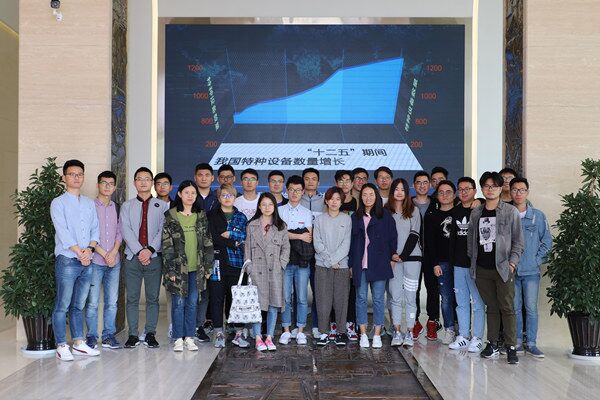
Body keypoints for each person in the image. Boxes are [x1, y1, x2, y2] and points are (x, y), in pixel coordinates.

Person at [468, 171, 524, 364]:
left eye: (494, 186)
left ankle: (511, 346)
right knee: (491, 307)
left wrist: (512, 263)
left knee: (507, 307)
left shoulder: (510, 212)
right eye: (486, 186)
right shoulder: (476, 213)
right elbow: (471, 241)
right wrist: (473, 261)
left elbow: (518, 241)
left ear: (501, 189)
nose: (490, 189)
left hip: (503, 268)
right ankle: (492, 343)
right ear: (482, 189)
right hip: (482, 269)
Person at [51, 160, 100, 361]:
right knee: (62, 304)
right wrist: (80, 252)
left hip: (87, 260)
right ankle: (61, 345)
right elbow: (62, 231)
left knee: (79, 305)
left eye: (79, 174)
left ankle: (79, 343)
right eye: (72, 174)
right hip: (68, 260)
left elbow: (95, 229)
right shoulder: (58, 203)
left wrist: (89, 249)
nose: (76, 177)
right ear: (64, 177)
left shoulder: (89, 203)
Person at [120, 167, 169, 349]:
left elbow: (162, 230)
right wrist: (140, 251)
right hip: (132, 258)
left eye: (147, 179)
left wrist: (149, 250)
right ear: (134, 182)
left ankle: (150, 333)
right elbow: (126, 230)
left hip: (154, 257)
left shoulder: (162, 206)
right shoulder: (127, 206)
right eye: (139, 179)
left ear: (152, 183)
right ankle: (133, 334)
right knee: (132, 298)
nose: (143, 182)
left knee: (152, 298)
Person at [162, 181, 214, 352]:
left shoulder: (201, 215)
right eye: (186, 193)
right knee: (178, 303)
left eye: (193, 193)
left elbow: (207, 242)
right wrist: (170, 269)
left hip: (196, 268)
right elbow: (167, 245)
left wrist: (208, 267)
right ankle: (178, 338)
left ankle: (190, 337)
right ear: (179, 194)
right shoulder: (171, 216)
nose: (190, 196)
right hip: (178, 269)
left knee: (192, 303)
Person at [349, 183, 397, 348]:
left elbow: (392, 238)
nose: (368, 198)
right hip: (360, 264)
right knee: (361, 299)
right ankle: (363, 333)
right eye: (364, 194)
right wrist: (351, 264)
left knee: (378, 299)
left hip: (379, 263)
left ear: (376, 196)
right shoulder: (355, 217)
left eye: (371, 194)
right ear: (360, 197)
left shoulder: (385, 216)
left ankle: (377, 334)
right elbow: (351, 243)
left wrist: (391, 258)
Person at [510, 177, 552, 358]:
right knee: (515, 308)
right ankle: (517, 342)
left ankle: (532, 343)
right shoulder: (506, 214)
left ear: (527, 192)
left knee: (531, 308)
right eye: (515, 190)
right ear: (510, 192)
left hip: (531, 272)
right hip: (511, 271)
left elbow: (547, 242)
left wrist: (536, 260)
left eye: (522, 190)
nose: (518, 193)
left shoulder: (538, 216)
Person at [206, 184, 250, 348]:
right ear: (219, 198)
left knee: (236, 299)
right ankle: (218, 333)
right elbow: (212, 238)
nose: (227, 198)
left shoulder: (241, 216)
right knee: (217, 298)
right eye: (223, 195)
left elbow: (245, 236)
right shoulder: (211, 216)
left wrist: (231, 235)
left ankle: (238, 333)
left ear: (235, 197)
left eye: (230, 195)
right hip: (216, 262)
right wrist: (233, 243)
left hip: (237, 264)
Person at [245, 193, 290, 351]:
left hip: (274, 270)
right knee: (256, 305)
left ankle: (269, 337)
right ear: (259, 206)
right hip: (256, 271)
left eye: (270, 204)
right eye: (263, 204)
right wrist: (249, 268)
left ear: (274, 207)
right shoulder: (252, 225)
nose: (267, 207)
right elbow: (247, 249)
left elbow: (286, 248)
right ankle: (258, 337)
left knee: (273, 304)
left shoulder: (281, 226)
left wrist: (281, 264)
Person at [85, 171, 123, 350]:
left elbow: (119, 232)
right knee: (92, 302)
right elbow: (87, 233)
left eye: (111, 183)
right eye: (104, 183)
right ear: (98, 185)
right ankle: (91, 337)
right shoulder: (89, 206)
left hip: (114, 262)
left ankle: (108, 336)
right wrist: (104, 253)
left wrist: (113, 253)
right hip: (95, 261)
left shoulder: (117, 207)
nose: (107, 186)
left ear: (114, 187)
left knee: (112, 302)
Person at [448, 177, 485, 352]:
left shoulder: (481, 209)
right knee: (461, 302)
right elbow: (453, 239)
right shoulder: (455, 211)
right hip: (458, 264)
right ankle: (463, 335)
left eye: (467, 189)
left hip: (476, 265)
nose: (463, 192)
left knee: (478, 302)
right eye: (460, 189)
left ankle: (477, 337)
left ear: (474, 191)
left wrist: (481, 201)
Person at [313, 187, 352, 346]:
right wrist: (330, 261)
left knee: (341, 300)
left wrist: (335, 260)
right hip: (322, 265)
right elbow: (317, 243)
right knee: (323, 299)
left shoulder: (347, 219)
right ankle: (323, 332)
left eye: (338, 199)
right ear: (326, 201)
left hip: (341, 266)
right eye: (331, 199)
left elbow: (346, 244)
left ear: (341, 202)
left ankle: (341, 332)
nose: (334, 202)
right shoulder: (319, 220)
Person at [385, 178, 422, 347]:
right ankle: (397, 331)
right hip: (393, 261)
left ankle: (410, 331)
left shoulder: (414, 210)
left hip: (412, 260)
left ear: (407, 192)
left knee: (410, 297)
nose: (399, 192)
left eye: (402, 189)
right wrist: (393, 255)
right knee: (395, 296)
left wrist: (403, 256)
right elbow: (383, 237)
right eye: (396, 189)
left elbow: (415, 234)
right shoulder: (385, 211)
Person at [278, 175, 314, 346]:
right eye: (291, 189)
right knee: (285, 298)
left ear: (302, 192)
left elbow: (308, 236)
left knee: (301, 298)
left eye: (298, 190)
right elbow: (278, 235)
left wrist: (289, 234)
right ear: (287, 191)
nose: (294, 193)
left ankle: (300, 330)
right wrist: (298, 235)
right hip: (284, 261)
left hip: (302, 262)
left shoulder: (307, 212)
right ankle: (286, 330)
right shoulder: (279, 211)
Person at [426, 180, 456, 345]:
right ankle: (449, 329)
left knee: (461, 299)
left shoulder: (460, 213)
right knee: (445, 298)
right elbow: (430, 244)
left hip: (460, 263)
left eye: (448, 192)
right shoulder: (432, 217)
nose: (444, 195)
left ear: (454, 194)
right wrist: (435, 264)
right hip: (442, 263)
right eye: (441, 192)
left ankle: (463, 331)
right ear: (437, 196)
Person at [411, 171, 440, 340]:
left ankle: (432, 322)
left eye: (425, 182)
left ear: (429, 185)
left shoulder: (437, 203)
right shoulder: (408, 203)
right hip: (412, 255)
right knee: (413, 289)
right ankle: (414, 321)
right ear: (413, 185)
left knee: (433, 289)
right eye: (418, 182)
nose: (422, 185)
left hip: (432, 255)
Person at [300, 167, 324, 337]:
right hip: (300, 252)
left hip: (319, 252)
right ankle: (298, 325)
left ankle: (317, 324)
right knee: (299, 291)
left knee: (318, 290)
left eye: (313, 179)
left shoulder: (325, 201)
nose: (310, 181)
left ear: (318, 182)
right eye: (307, 178)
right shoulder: (295, 199)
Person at [335, 169, 358, 340]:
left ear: (352, 183)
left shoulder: (358, 202)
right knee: (335, 292)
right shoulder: (332, 201)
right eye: (341, 180)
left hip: (352, 252)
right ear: (337, 183)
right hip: (334, 255)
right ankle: (335, 324)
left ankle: (350, 324)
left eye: (347, 180)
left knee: (351, 292)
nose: (344, 184)